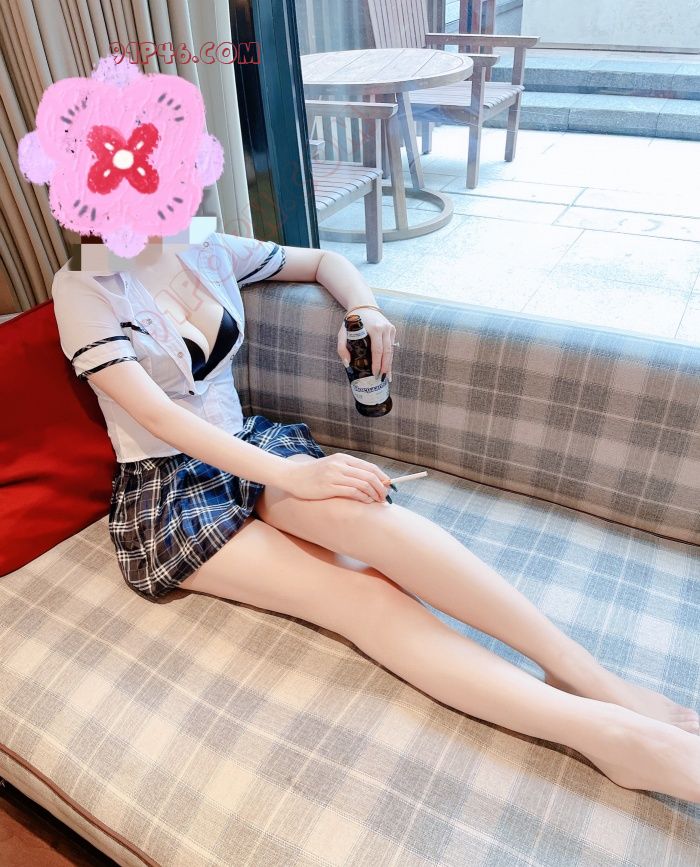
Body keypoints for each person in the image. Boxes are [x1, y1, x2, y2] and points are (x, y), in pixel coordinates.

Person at [29, 54, 700, 807]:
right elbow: (157, 416)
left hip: (246, 450)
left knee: (374, 519)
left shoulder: (201, 246)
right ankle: (610, 738)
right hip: (170, 491)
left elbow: (322, 260)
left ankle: (585, 674)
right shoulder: (83, 288)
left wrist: (366, 307)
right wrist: (295, 474)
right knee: (364, 597)